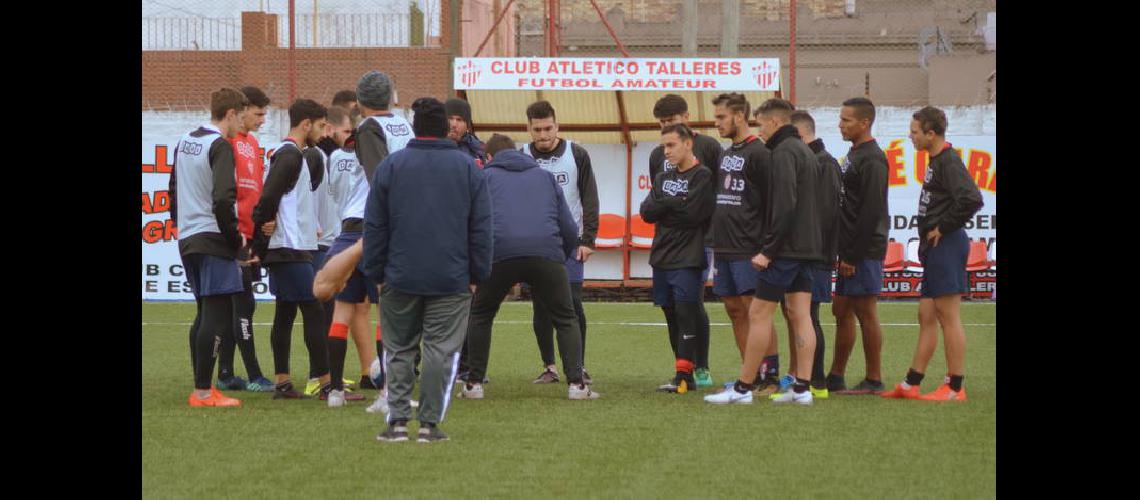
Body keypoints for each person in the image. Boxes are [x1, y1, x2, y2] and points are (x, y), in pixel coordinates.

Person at [366, 97, 493, 443]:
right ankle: (429, 425)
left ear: (414, 127)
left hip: (399, 275)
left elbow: (375, 226)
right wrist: (476, 276)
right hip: (451, 278)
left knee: (399, 349)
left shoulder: (391, 166)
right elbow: (481, 227)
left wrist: (375, 273)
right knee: (441, 350)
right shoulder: (469, 168)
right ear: (443, 127)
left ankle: (396, 423)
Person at [460, 134, 600, 401]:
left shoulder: (483, 178)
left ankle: (474, 384)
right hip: (546, 252)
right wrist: (560, 253)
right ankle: (577, 386)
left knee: (481, 314)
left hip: (499, 253)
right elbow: (569, 226)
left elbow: (471, 223)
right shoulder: (545, 177)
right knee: (565, 317)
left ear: (489, 158)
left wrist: (474, 262)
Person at [704, 98, 824, 406]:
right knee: (800, 315)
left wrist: (768, 251)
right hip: (807, 249)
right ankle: (802, 388)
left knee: (758, 313)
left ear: (773, 122)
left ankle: (744, 388)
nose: (760, 129)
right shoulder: (805, 152)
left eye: (761, 123)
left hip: (785, 250)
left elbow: (784, 205)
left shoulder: (782, 152)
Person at [880, 106, 982, 402]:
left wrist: (943, 227)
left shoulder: (948, 161)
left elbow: (972, 198)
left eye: (914, 132)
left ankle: (954, 387)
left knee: (948, 317)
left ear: (931, 133)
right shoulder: (936, 160)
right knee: (926, 314)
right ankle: (912, 382)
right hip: (935, 248)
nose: (910, 137)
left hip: (946, 246)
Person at [169, 87, 248, 407]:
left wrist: (181, 224)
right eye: (241, 117)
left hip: (189, 237)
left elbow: (173, 187)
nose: (242, 124)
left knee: (204, 312)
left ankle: (201, 386)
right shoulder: (220, 146)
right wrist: (234, 240)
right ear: (230, 114)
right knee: (216, 314)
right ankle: (203, 391)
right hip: (213, 238)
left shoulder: (186, 141)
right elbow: (223, 198)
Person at [250, 98, 332, 400]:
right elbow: (268, 198)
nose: (324, 133)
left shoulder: (293, 154)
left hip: (292, 244)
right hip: (288, 248)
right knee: (313, 308)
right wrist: (262, 237)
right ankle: (326, 384)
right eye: (321, 125)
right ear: (306, 124)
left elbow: (283, 200)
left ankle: (282, 383)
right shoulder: (289, 155)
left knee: (285, 311)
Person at [521, 100, 599, 385]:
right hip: (536, 245)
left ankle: (578, 366)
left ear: (558, 126)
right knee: (541, 306)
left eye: (548, 128)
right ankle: (550, 367)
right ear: (528, 129)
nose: (543, 135)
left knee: (573, 304)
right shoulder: (521, 157)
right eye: (537, 129)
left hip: (570, 244)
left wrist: (588, 239)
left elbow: (589, 198)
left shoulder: (576, 154)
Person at [708, 93, 781, 395]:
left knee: (756, 311)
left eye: (721, 117)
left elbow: (772, 202)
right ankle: (747, 376)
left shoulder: (760, 154)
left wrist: (766, 247)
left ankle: (771, 376)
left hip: (749, 245)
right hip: (723, 244)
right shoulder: (726, 153)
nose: (717, 123)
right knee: (734, 310)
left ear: (739, 116)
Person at [649, 94, 722, 389]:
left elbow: (712, 198)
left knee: (692, 304)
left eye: (672, 121)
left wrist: (685, 211)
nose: (667, 127)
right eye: (663, 123)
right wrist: (672, 205)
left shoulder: (710, 147)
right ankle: (682, 367)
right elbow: (655, 201)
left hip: (698, 239)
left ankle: (700, 366)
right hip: (666, 240)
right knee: (672, 307)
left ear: (686, 117)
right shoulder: (657, 155)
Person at [827, 97, 890, 395]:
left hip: (863, 250)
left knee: (866, 312)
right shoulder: (854, 154)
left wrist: (852, 254)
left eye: (846, 120)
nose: (841, 124)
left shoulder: (874, 159)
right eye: (841, 119)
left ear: (864, 123)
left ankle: (874, 379)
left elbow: (871, 211)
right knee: (841, 310)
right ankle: (836, 376)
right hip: (849, 248)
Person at [215, 85, 275, 393]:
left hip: (250, 236)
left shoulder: (252, 142)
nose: (263, 120)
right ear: (241, 111)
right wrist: (236, 236)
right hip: (234, 236)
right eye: (259, 113)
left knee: (237, 305)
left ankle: (225, 373)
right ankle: (253, 374)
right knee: (242, 304)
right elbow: (226, 194)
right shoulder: (226, 143)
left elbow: (255, 191)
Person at [445, 98, 488, 167]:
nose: (454, 124)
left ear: (467, 125)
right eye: (450, 118)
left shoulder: (479, 150)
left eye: (459, 120)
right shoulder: (432, 147)